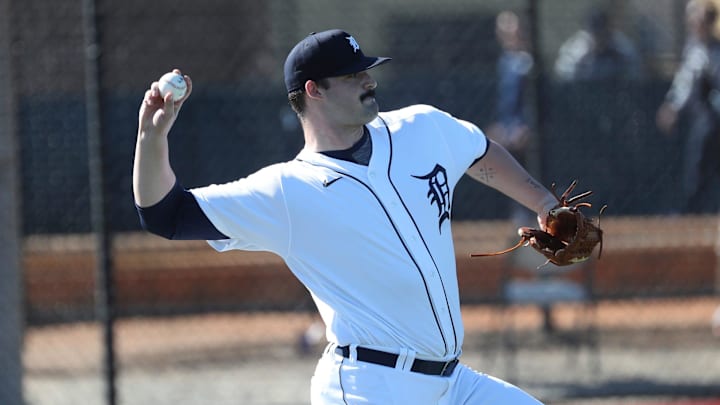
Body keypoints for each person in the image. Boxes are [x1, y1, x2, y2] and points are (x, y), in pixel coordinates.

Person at [134, 29, 559, 404]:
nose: (369, 79)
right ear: (314, 90)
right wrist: (150, 139)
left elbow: (479, 151)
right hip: (370, 388)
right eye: (353, 74)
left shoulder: (421, 128)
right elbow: (166, 214)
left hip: (454, 384)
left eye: (366, 69)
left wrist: (544, 204)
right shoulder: (287, 191)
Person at [656, 0, 720, 214]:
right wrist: (672, 107)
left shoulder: (715, 49)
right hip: (705, 120)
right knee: (697, 167)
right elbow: (684, 83)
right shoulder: (695, 50)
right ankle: (694, 212)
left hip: (714, 119)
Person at [485, 10, 535, 225]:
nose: (505, 34)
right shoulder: (504, 62)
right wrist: (500, 126)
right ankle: (516, 215)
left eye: (510, 29)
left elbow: (533, 100)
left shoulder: (529, 61)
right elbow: (503, 101)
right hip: (507, 127)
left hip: (525, 129)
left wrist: (526, 126)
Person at [554, 7, 642, 82]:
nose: (600, 38)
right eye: (596, 33)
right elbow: (563, 73)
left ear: (609, 30)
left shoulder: (621, 46)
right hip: (583, 93)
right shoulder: (577, 49)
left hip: (616, 93)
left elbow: (635, 72)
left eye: (603, 32)